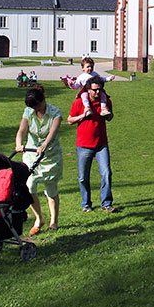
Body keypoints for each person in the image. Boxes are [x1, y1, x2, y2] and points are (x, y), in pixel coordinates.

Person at [14, 86, 63, 234]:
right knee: (29, 186)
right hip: (31, 155)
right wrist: (19, 143)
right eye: (33, 107)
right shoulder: (29, 112)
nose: (36, 110)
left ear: (43, 100)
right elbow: (22, 130)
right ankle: (39, 218)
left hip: (50, 156)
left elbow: (52, 134)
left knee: (51, 189)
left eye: (38, 106)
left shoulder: (55, 113)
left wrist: (44, 145)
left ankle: (53, 221)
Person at [66, 77, 115, 213]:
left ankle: (106, 203)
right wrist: (83, 116)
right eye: (94, 90)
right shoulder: (79, 103)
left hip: (101, 144)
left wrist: (108, 115)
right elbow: (69, 120)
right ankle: (86, 204)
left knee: (106, 173)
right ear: (88, 90)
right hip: (83, 145)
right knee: (83, 177)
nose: (97, 92)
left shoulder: (105, 102)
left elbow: (110, 118)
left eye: (100, 89)